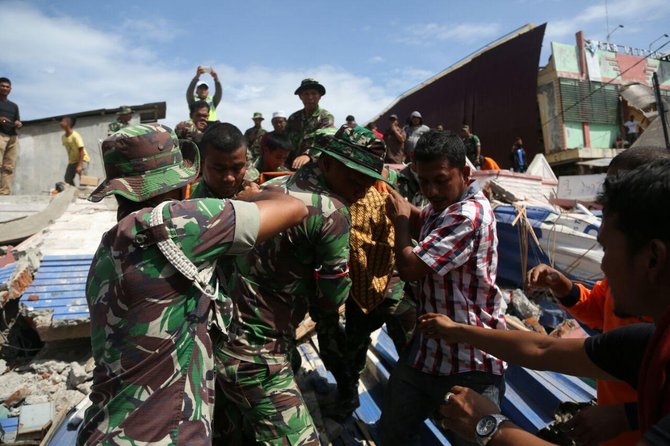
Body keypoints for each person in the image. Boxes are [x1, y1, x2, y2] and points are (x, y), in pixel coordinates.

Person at [77, 123, 307, 445]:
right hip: (162, 436)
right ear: (176, 181)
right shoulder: (175, 223)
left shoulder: (110, 245)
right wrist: (255, 195)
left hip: (104, 430)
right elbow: (294, 209)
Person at [417, 159, 670, 446]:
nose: (605, 266)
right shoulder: (652, 343)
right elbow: (542, 348)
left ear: (653, 258)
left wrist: (488, 426)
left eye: (608, 249)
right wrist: (457, 331)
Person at [214, 125, 387, 445]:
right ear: (328, 163)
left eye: (370, 179)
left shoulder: (275, 185)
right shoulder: (332, 211)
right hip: (259, 351)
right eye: (356, 176)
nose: (364, 188)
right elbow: (332, 294)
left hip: (224, 333)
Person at [524, 147, 670, 446]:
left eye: (620, 188)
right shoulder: (631, 279)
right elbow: (598, 309)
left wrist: (487, 427)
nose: (608, 200)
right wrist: (564, 287)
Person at [380, 131, 506, 446]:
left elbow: (410, 268)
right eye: (424, 183)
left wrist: (399, 221)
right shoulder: (447, 203)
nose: (432, 191)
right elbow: (424, 216)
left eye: (440, 180)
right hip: (428, 353)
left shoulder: (468, 214)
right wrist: (392, 196)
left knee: (473, 440)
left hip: (469, 362)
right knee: (392, 430)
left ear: (465, 173)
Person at [189, 122, 259, 200]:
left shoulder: (249, 182)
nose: (230, 178)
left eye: (237, 168)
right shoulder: (196, 202)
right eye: (219, 169)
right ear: (201, 165)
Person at [286, 78, 334, 170]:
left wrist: (308, 155)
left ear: (320, 96)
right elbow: (285, 142)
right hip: (291, 166)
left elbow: (326, 141)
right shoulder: (293, 118)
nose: (310, 97)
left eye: (314, 93)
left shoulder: (326, 117)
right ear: (300, 96)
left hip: (315, 166)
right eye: (306, 94)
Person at [0, 77, 22, 195]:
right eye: (2, 86)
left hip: (12, 137)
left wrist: (18, 123)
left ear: (10, 89)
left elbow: (18, 121)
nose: (5, 88)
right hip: (0, 136)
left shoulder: (14, 106)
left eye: (7, 87)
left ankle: (4, 193)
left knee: (8, 167)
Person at [59, 116, 90, 186]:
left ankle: (84, 195)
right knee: (67, 178)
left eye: (62, 121)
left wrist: (80, 165)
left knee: (83, 180)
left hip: (83, 159)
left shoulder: (75, 135)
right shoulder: (63, 137)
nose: (60, 123)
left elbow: (81, 150)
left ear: (68, 123)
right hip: (72, 161)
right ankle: (74, 191)